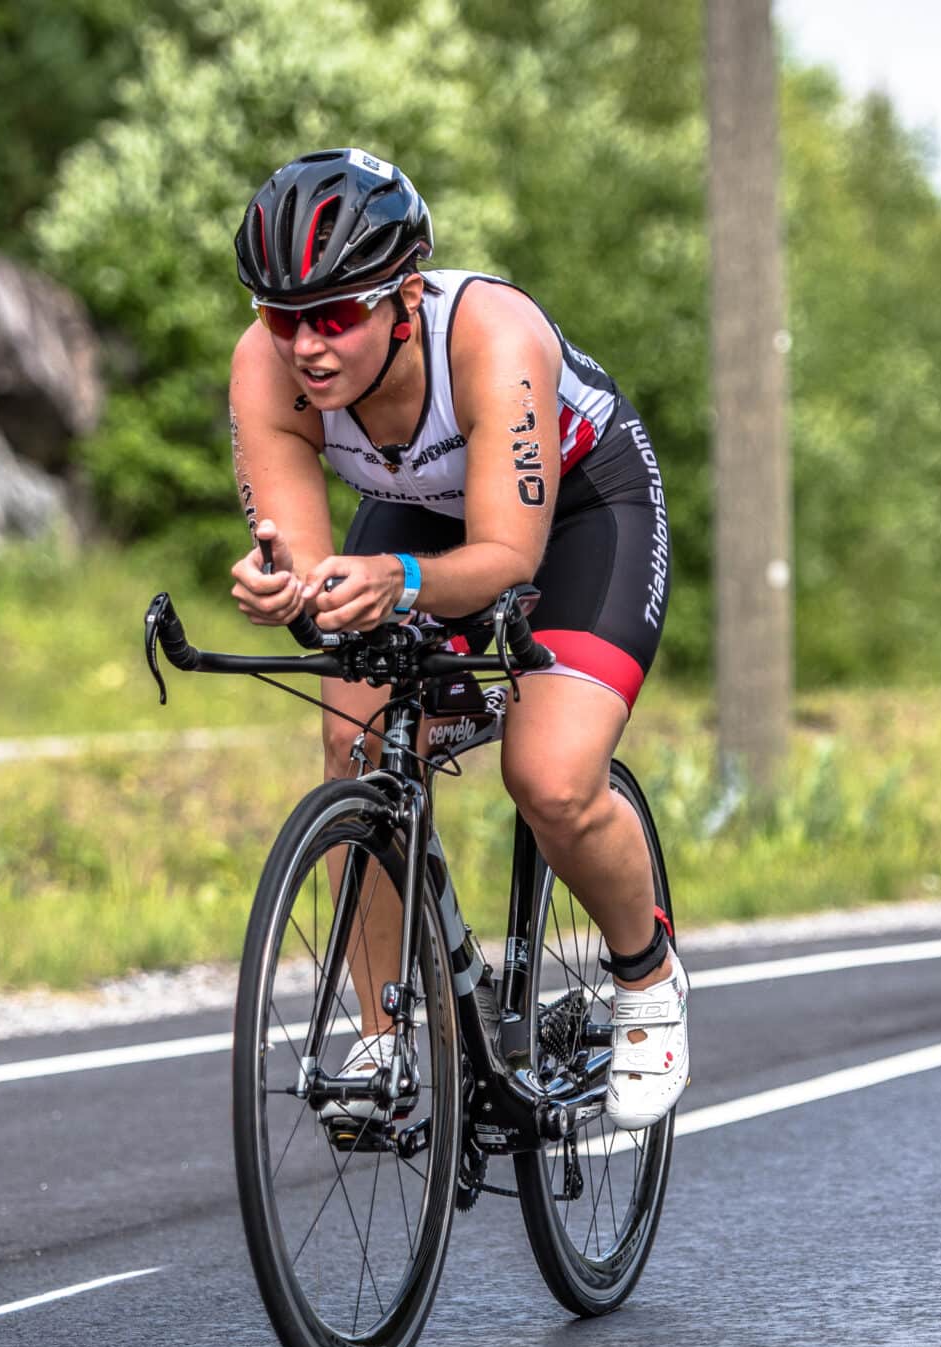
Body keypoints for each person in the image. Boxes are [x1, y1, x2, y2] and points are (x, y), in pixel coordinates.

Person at [223, 149, 686, 1130]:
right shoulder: (264, 367)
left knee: (551, 781)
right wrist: (287, 590)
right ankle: (384, 1033)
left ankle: (647, 977)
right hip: (419, 517)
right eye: (280, 315)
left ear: (405, 295)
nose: (305, 345)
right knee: (355, 743)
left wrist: (398, 581)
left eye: (334, 315)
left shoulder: (490, 335)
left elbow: (509, 558)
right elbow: (305, 566)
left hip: (579, 514)